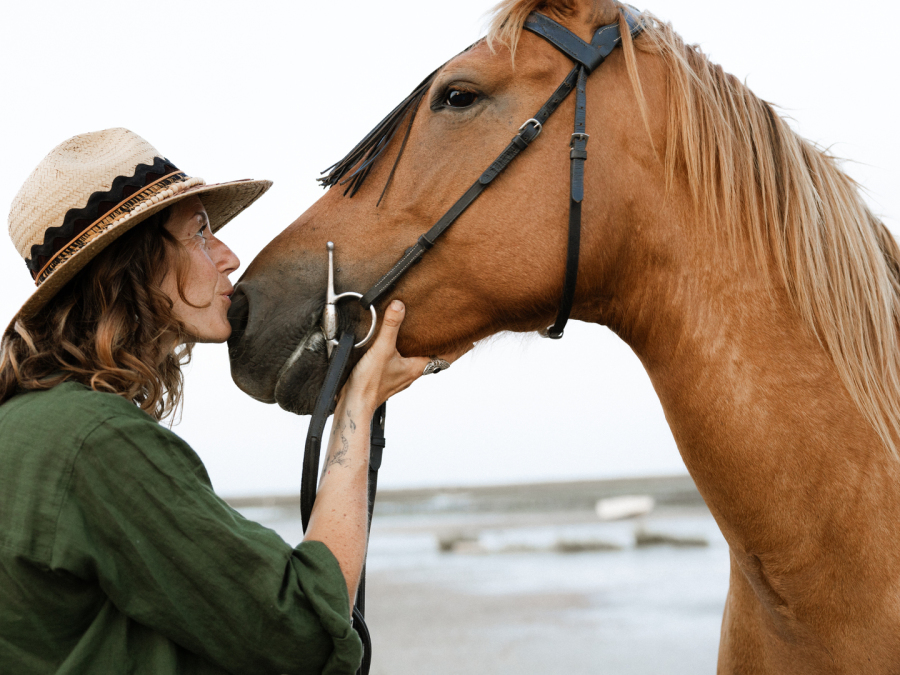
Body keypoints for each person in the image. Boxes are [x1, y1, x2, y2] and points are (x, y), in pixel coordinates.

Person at [0, 128, 465, 674]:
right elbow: (301, 631)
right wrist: (357, 407)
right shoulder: (96, 440)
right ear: (134, 263)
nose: (228, 256)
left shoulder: (24, 424)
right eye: (199, 233)